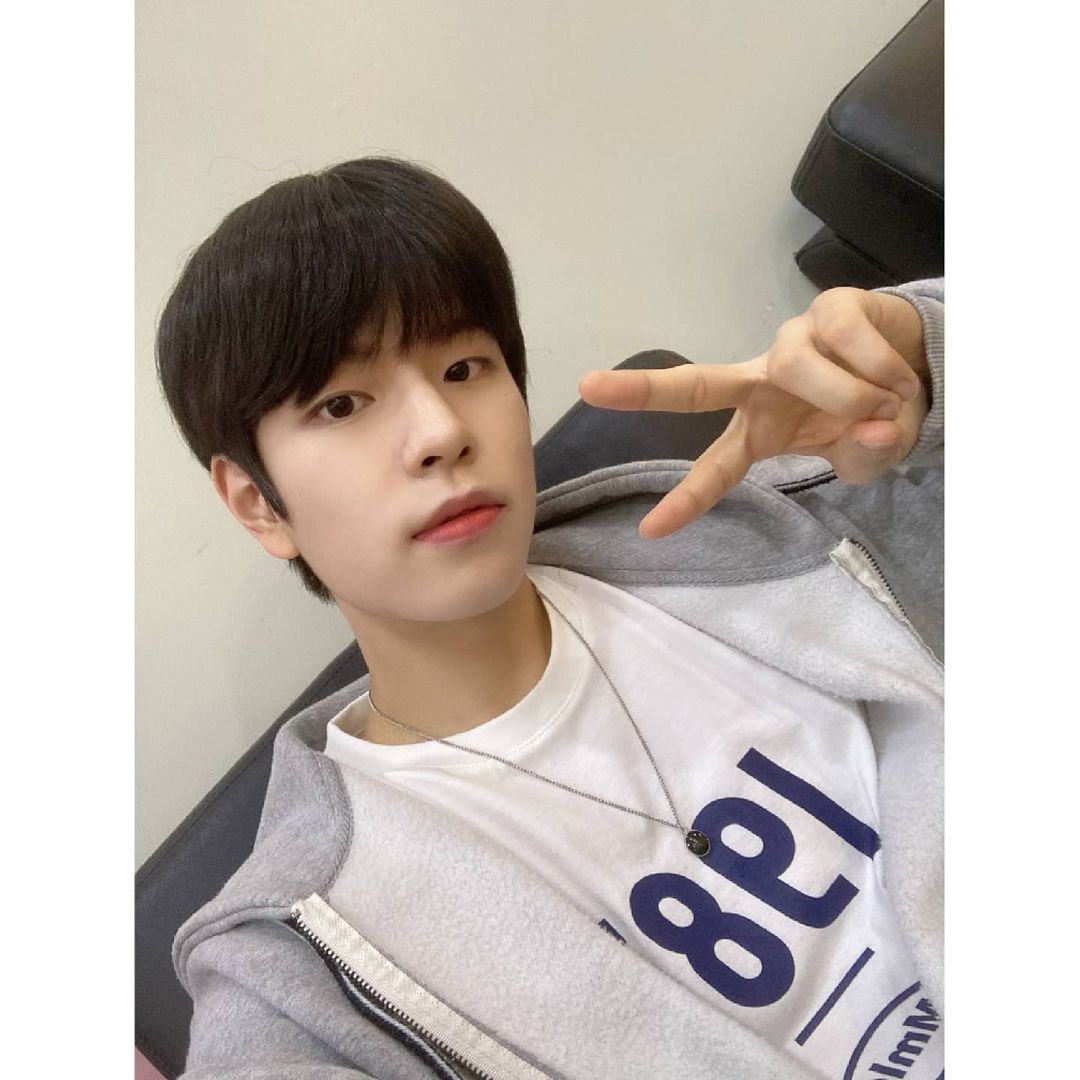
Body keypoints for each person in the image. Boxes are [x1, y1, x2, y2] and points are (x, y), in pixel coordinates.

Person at [157, 156, 943, 1080]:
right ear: (257, 504)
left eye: (463, 366)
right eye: (341, 403)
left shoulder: (774, 528)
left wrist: (931, 364)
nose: (441, 430)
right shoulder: (303, 970)